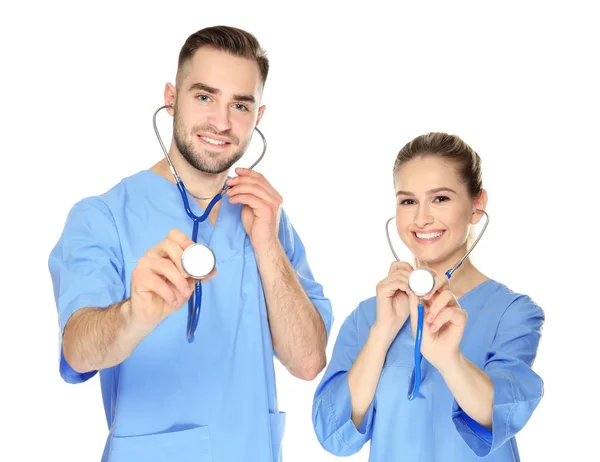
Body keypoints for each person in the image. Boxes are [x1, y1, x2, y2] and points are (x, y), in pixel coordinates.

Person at [48, 25, 333, 462]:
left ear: (258, 117)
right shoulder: (102, 216)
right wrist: (134, 314)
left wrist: (268, 246)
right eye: (204, 97)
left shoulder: (267, 217)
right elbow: (78, 350)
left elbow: (308, 361)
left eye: (240, 104)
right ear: (171, 97)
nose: (221, 122)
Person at [311, 132, 544, 461]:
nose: (422, 218)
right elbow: (334, 435)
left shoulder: (512, 313)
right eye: (408, 201)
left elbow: (502, 414)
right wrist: (382, 334)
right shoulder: (368, 317)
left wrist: (450, 360)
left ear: (477, 206)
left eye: (441, 199)